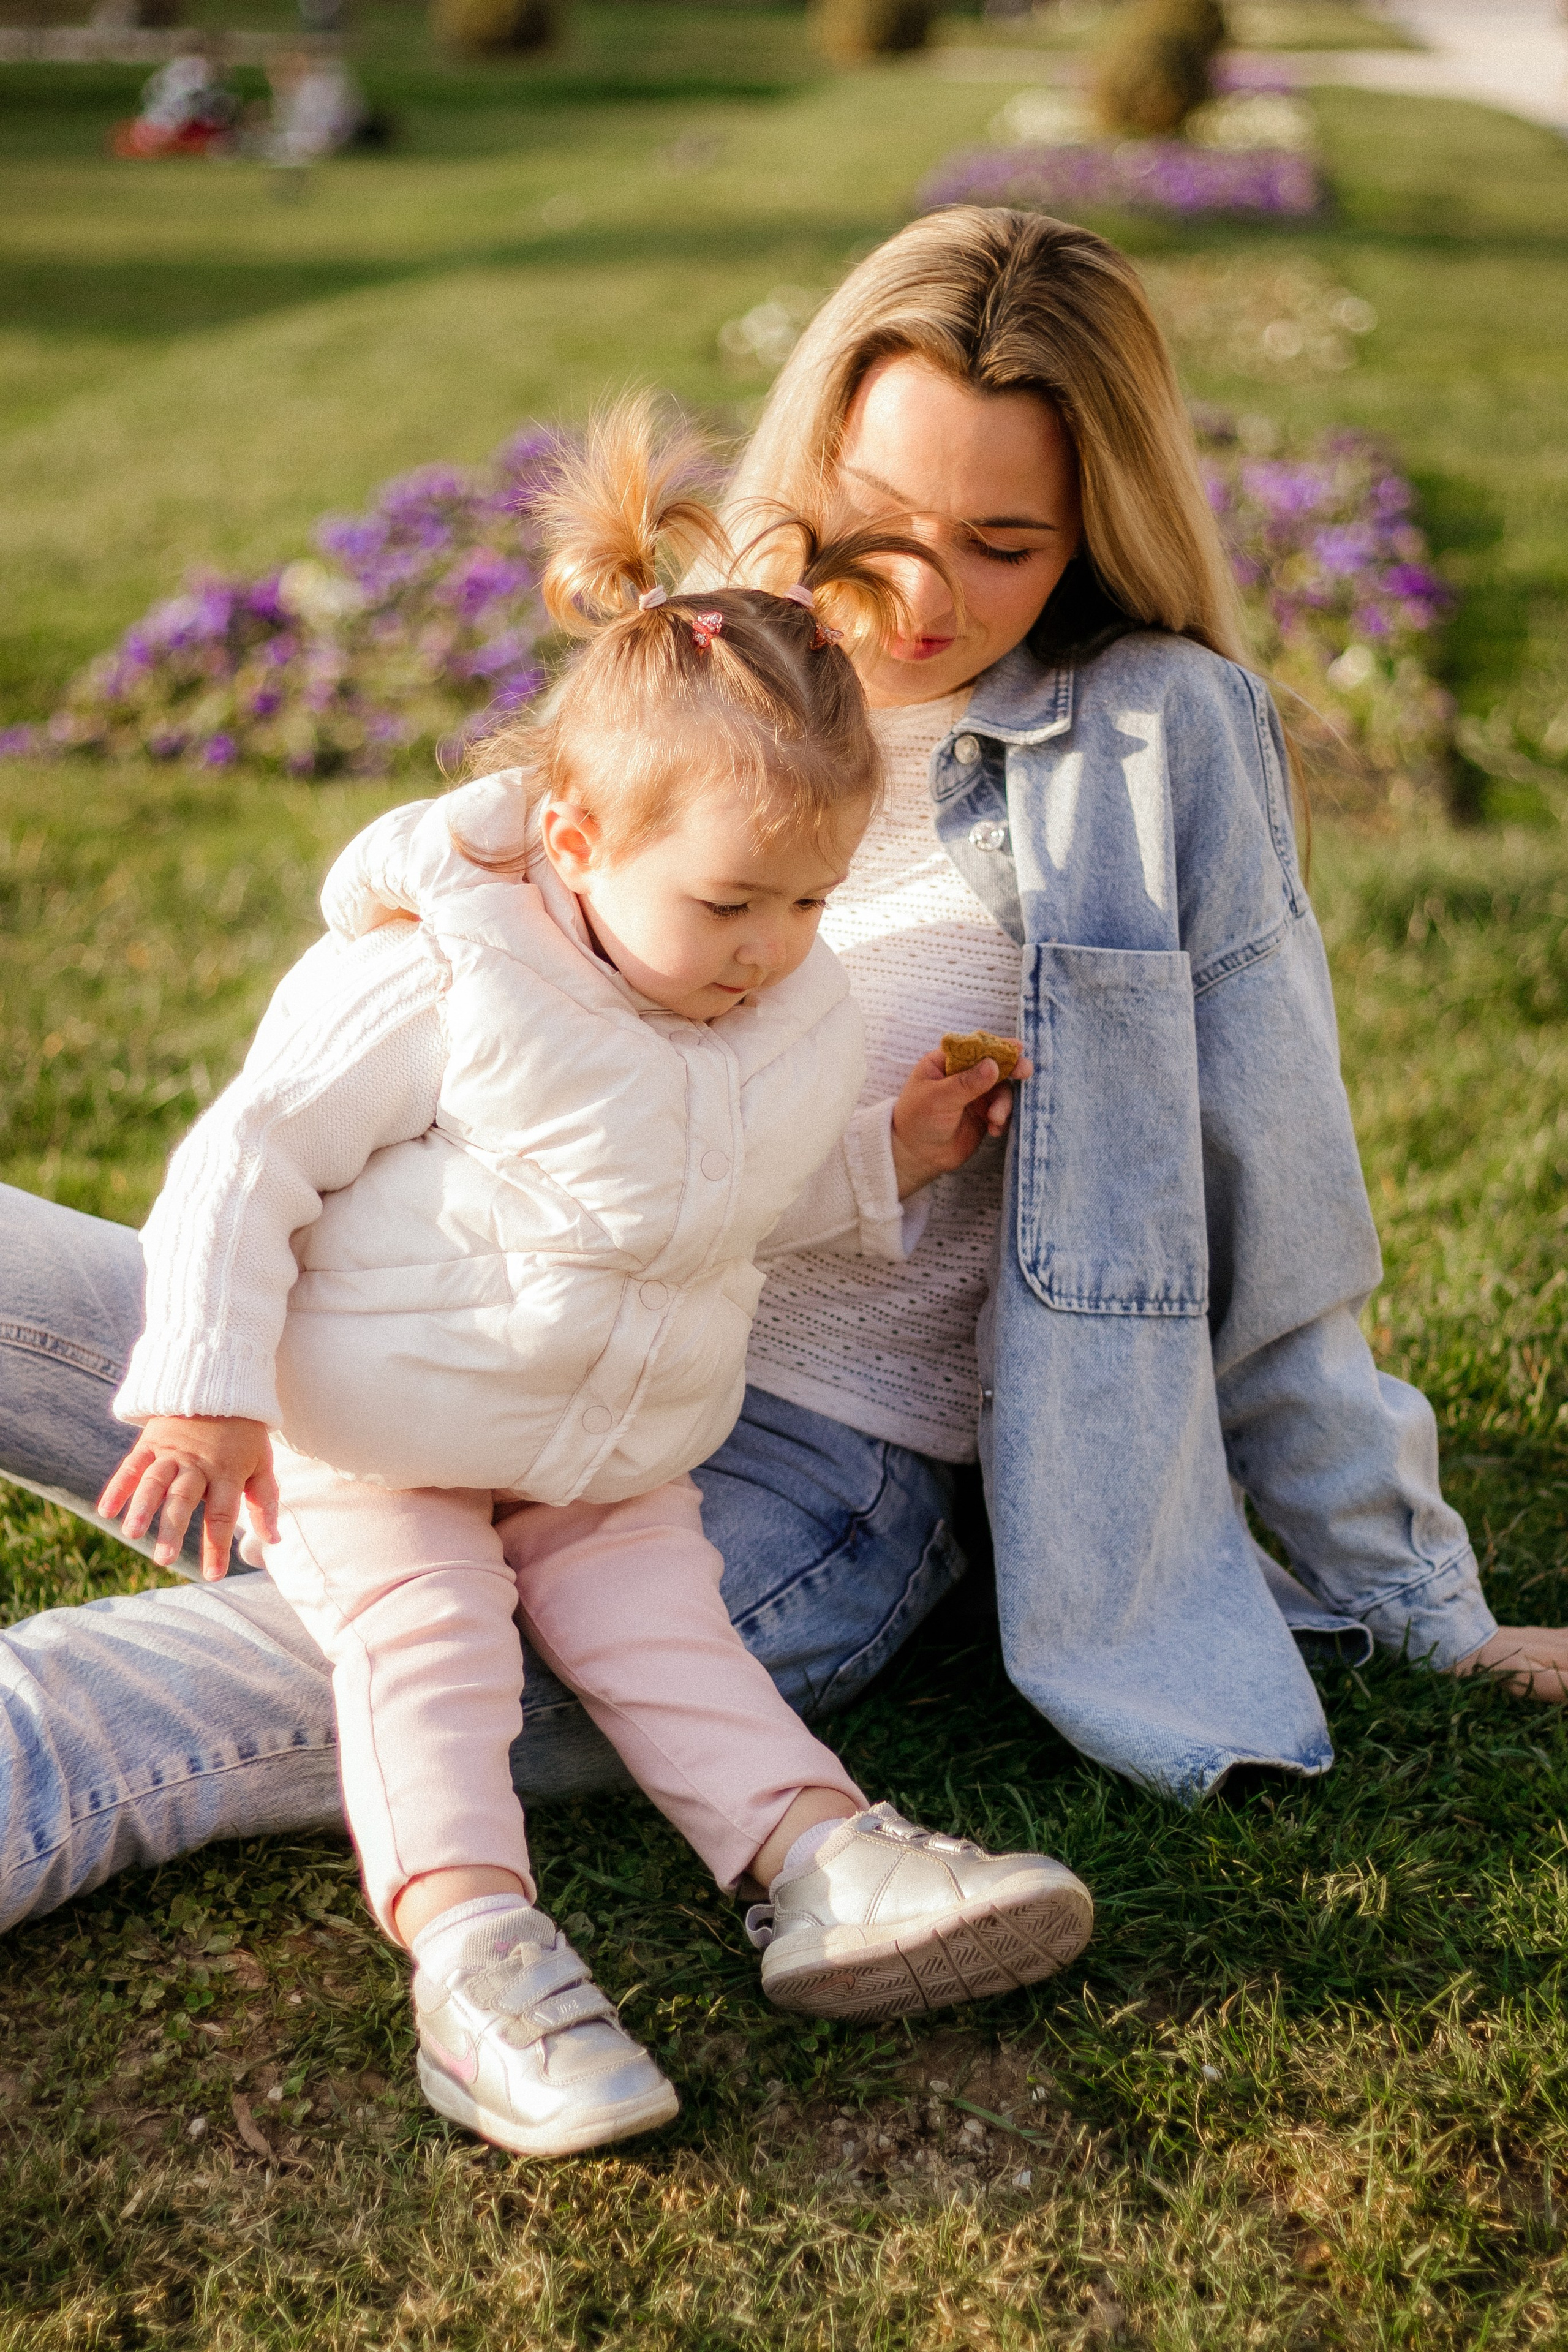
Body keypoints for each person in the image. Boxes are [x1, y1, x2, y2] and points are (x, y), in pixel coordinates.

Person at [2, 206, 1564, 1956]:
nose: (917, 592)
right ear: (812, 452)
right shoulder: (711, 671)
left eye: (1001, 543)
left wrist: (1417, 1601)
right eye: (880, 519)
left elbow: (1277, 1209)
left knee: (114, 1703)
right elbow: (479, 976)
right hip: (442, 1328)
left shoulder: (1155, 742)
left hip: (787, 1485)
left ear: (1094, 537)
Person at [89, 402, 1094, 2157]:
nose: (773, 950)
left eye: (808, 902)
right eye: (729, 906)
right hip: (380, 1436)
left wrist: (887, 1156)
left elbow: (730, 1209)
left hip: (614, 1444)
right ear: (570, 837)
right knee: (431, 1656)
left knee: (672, 1634)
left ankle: (817, 1861)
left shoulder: (781, 1009)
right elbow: (248, 1158)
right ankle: (478, 1962)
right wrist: (209, 1381)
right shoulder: (450, 970)